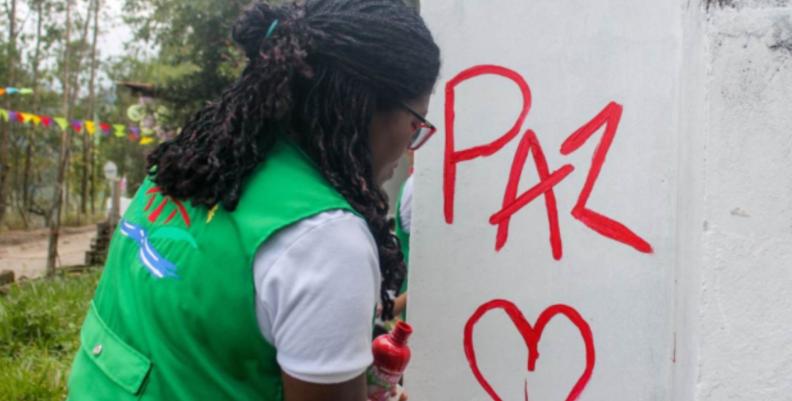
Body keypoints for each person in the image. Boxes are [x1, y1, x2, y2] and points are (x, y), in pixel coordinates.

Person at [66, 1, 440, 400]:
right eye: (416, 123)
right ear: (363, 106)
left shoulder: (187, 166)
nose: (411, 146)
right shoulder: (325, 238)